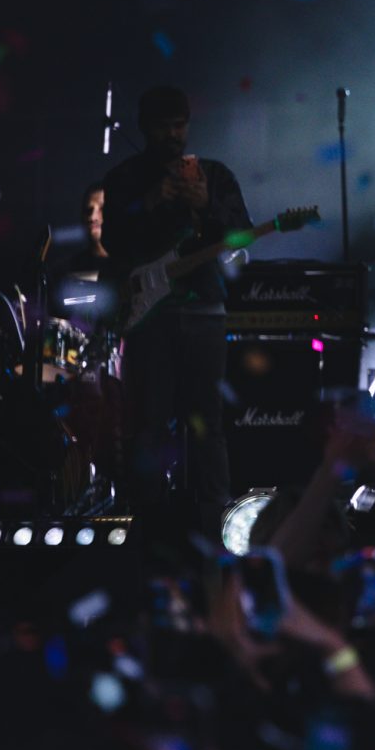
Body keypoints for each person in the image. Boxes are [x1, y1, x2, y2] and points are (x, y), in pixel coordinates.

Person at [100, 86, 251, 531]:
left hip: (205, 308)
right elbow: (113, 242)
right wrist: (150, 203)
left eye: (179, 125)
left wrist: (206, 205)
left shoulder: (214, 175)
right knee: (150, 423)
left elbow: (241, 234)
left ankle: (216, 524)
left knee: (208, 424)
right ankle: (150, 526)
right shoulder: (125, 178)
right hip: (151, 316)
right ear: (145, 128)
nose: (173, 135)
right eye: (163, 127)